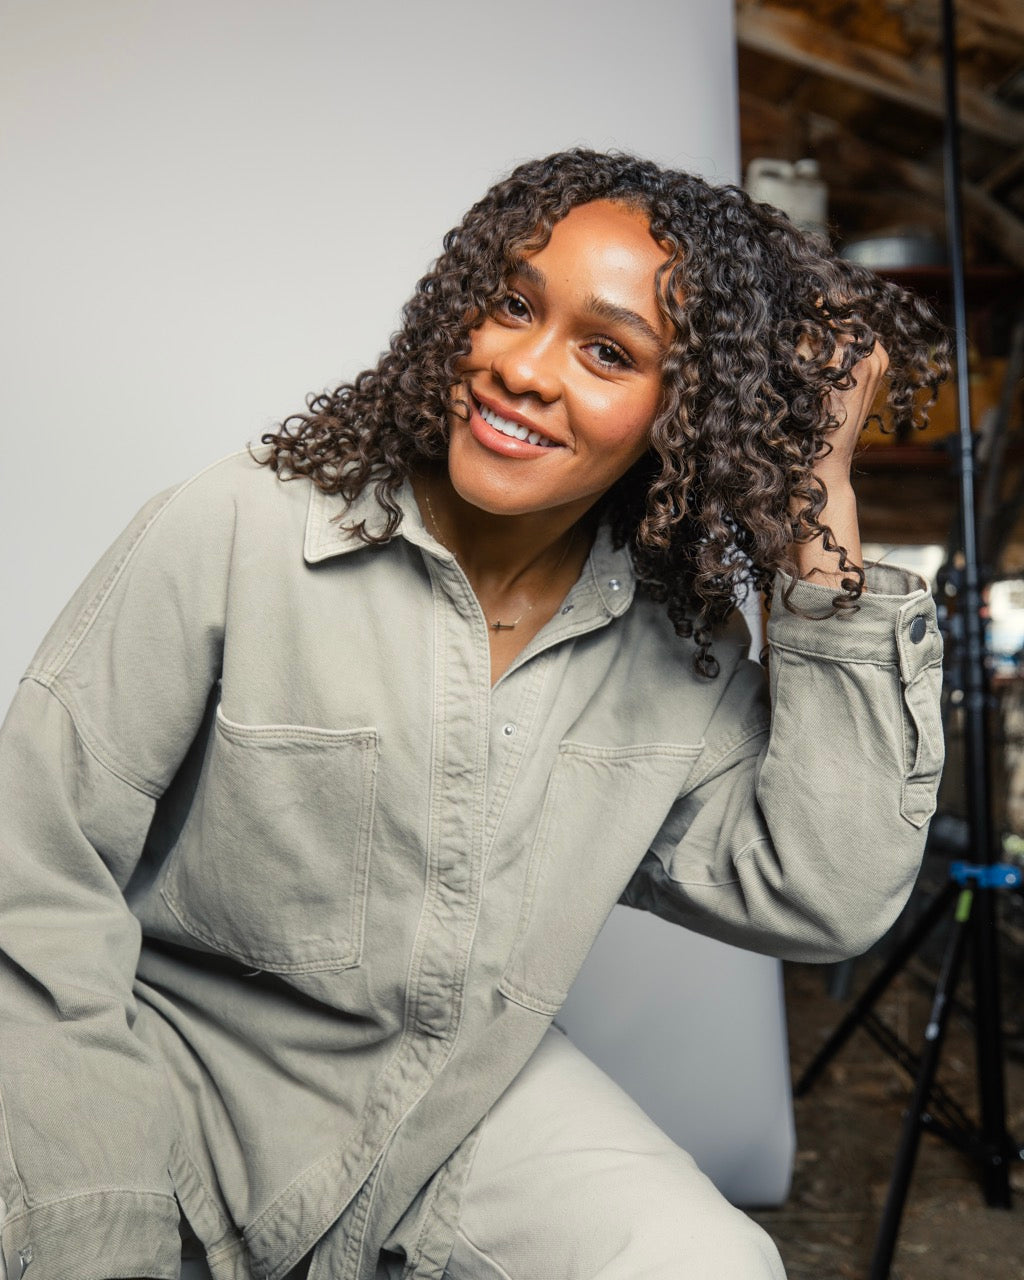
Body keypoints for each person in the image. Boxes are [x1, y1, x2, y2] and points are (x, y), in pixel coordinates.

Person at [0, 150, 948, 1280]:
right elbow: (31, 879)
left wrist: (817, 506)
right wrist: (97, 1217)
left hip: (456, 1090)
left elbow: (822, 890)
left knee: (706, 1262)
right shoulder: (238, 525)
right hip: (166, 1064)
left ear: (682, 413)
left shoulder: (674, 641)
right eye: (510, 303)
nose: (523, 368)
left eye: (607, 351)